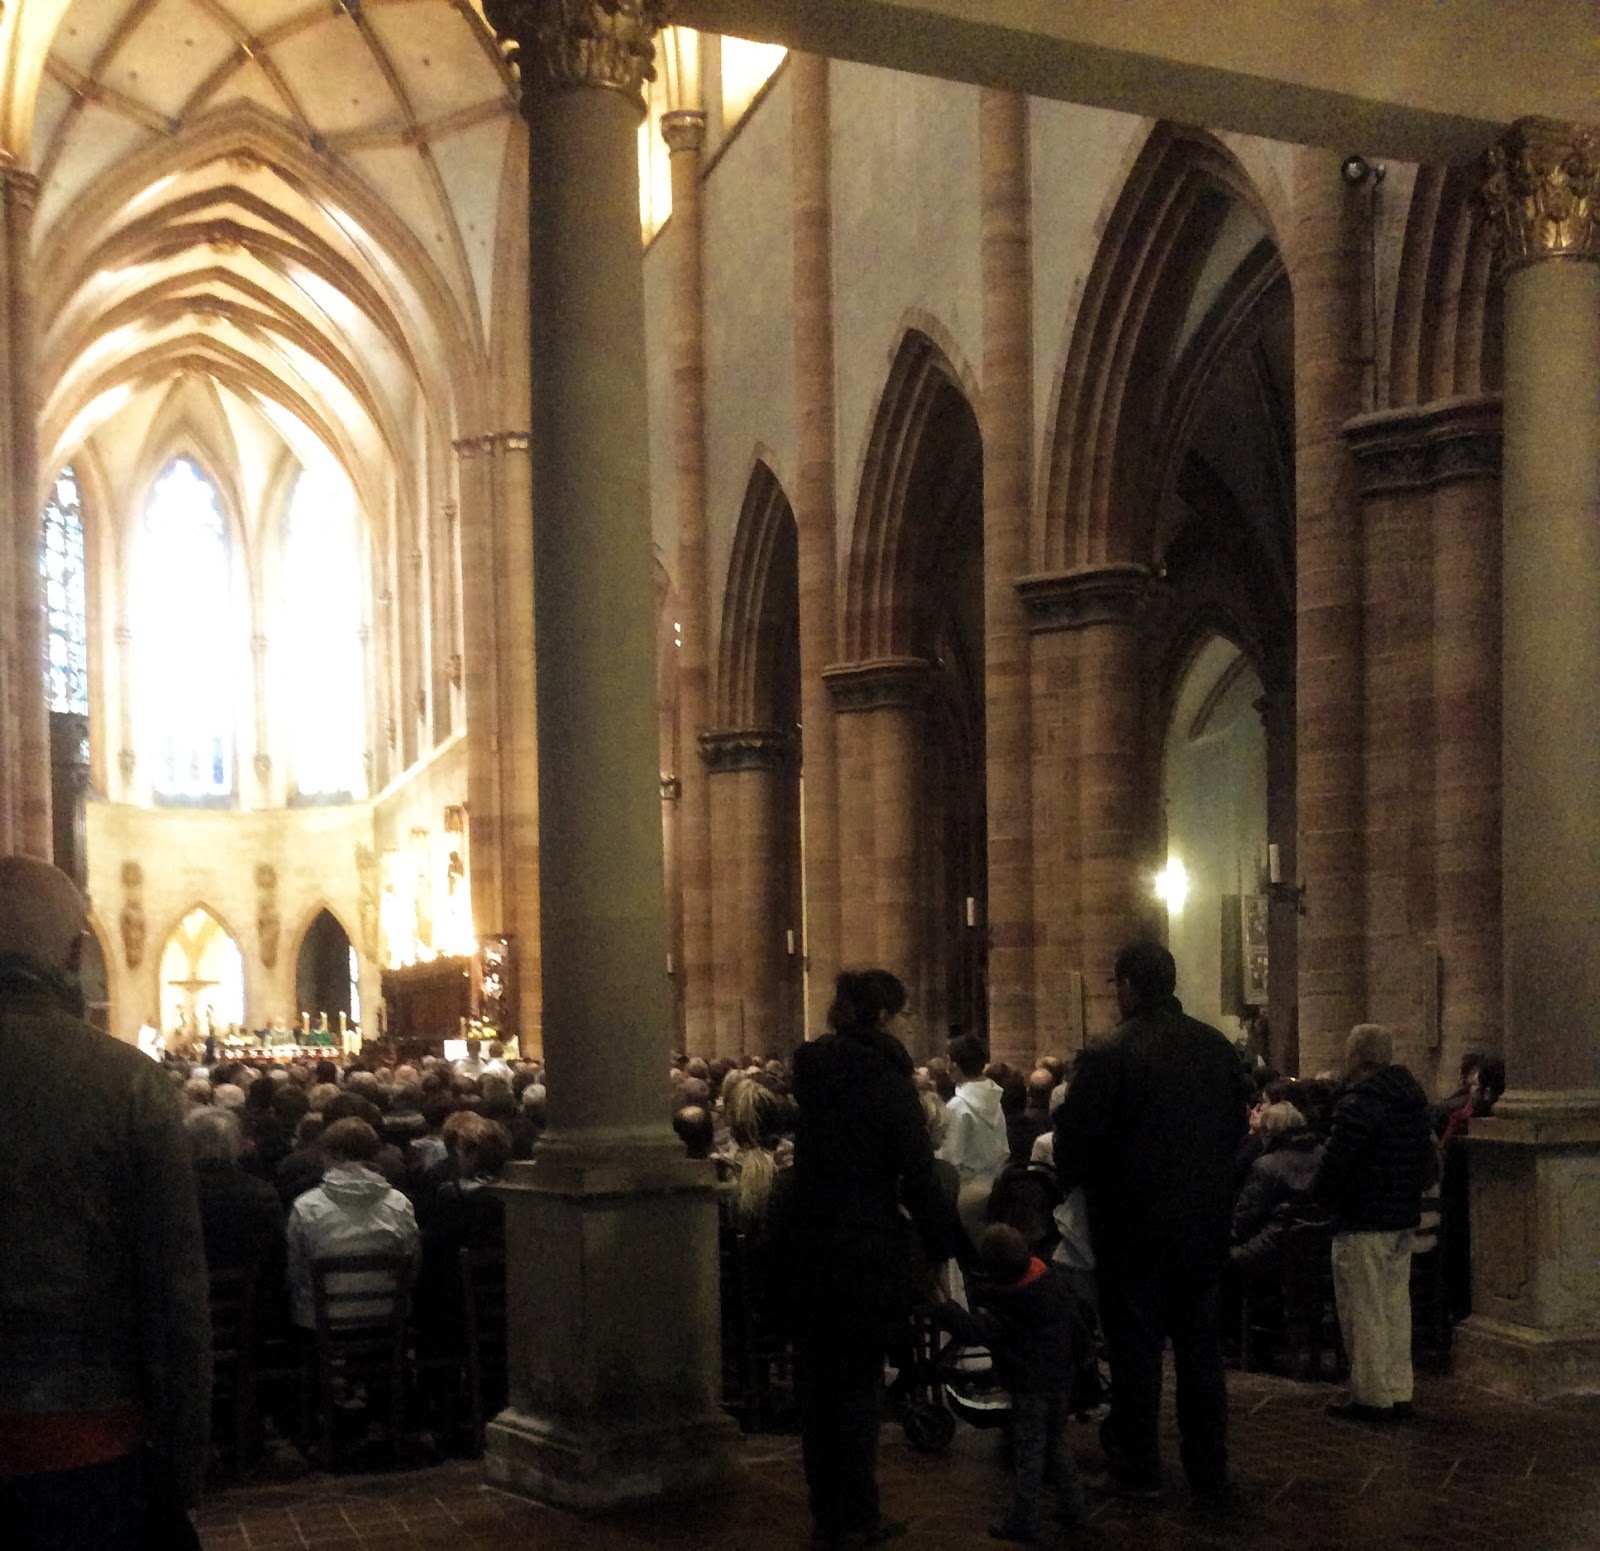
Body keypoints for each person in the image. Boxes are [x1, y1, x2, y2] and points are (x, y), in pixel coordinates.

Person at [0, 855, 211, 1547]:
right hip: (88, 1453)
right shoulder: (129, 1084)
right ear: (75, 954)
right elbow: (175, 1302)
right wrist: (179, 1477)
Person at [1052, 940, 1249, 1507]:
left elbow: (1074, 1149)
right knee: (1201, 1352)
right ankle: (1209, 1471)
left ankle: (1138, 1469)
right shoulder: (1215, 1048)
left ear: (1128, 986)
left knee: (1134, 1352)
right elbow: (1237, 1131)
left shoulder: (1110, 1053)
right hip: (1202, 1225)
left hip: (1131, 1227)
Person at [790, 969, 960, 1550]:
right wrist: (938, 1251)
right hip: (863, 1246)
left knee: (819, 1387)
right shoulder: (886, 1079)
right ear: (884, 1015)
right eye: (903, 1013)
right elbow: (918, 1174)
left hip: (812, 1242)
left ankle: (827, 1515)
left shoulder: (814, 1070)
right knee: (859, 1384)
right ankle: (858, 1516)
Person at [931, 1224, 1089, 1543]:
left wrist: (944, 1307)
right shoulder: (1050, 1281)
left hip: (1031, 1386)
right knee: (1055, 1443)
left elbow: (975, 1330)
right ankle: (1074, 1504)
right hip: (1061, 1379)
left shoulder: (1011, 1303)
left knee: (1029, 1453)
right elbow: (1078, 1325)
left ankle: (1024, 1520)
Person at [1312, 1023, 1434, 1422]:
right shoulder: (1412, 1099)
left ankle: (1370, 1396)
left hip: (1363, 1217)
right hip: (1402, 1216)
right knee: (1396, 1306)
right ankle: (1399, 1389)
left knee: (1363, 1308)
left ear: (1357, 1057)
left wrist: (1321, 1194)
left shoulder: (1361, 1101)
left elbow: (1336, 1160)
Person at [939, 1033, 1010, 1250]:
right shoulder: (994, 1099)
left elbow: (949, 1162)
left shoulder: (957, 1106)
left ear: (954, 1065)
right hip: (997, 1186)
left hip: (967, 1194)